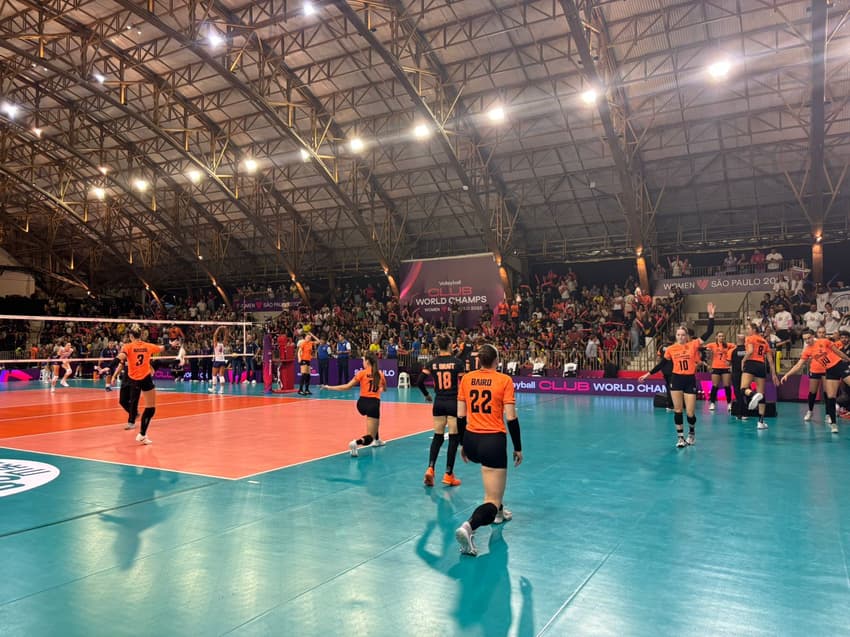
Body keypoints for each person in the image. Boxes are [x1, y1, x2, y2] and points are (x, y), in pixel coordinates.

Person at [454, 344, 522, 557]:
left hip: (472, 440)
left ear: (479, 360)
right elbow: (511, 417)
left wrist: (462, 444)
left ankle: (501, 513)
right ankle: (469, 526)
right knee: (490, 500)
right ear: (496, 360)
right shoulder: (504, 380)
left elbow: (460, 416)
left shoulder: (466, 379)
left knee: (493, 489)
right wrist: (518, 447)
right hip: (492, 441)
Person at [639, 303, 715, 447]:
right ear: (676, 336)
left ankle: (691, 433)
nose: (680, 337)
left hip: (689, 380)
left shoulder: (693, 344)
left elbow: (709, 332)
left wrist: (711, 316)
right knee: (678, 410)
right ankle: (680, 437)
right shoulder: (671, 349)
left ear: (687, 336)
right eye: (678, 335)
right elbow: (662, 364)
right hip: (676, 379)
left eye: (683, 335)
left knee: (690, 412)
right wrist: (648, 374)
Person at [416, 335, 465, 487]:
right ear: (450, 345)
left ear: (438, 345)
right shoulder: (457, 363)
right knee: (453, 437)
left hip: (438, 402)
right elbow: (463, 384)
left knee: (437, 436)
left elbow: (419, 381)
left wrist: (427, 395)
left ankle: (430, 467)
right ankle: (448, 474)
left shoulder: (432, 363)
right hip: (452, 402)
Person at [780, 329, 850, 433]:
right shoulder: (807, 350)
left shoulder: (824, 341)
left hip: (840, 365)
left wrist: (848, 360)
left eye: (808, 338)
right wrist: (787, 374)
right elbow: (799, 365)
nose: (807, 341)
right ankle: (834, 425)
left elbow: (838, 352)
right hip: (830, 372)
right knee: (831, 397)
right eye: (805, 339)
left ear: (813, 336)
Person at [321, 352, 386, 456]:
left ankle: (378, 440)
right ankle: (356, 443)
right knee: (370, 437)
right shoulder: (380, 374)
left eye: (363, 361)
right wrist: (379, 389)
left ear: (367, 361)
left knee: (373, 422)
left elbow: (346, 386)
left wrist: (329, 387)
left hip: (361, 404)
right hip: (373, 404)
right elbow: (384, 388)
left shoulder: (361, 373)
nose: (363, 363)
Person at [115, 325, 164, 445]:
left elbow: (120, 357)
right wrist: (172, 345)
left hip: (134, 379)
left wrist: (110, 366)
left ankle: (140, 433)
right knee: (151, 408)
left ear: (131, 336)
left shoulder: (128, 346)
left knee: (132, 401)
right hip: (145, 378)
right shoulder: (147, 346)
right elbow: (161, 348)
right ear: (140, 335)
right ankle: (142, 433)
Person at [739, 322, 780, 430]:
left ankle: (752, 395)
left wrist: (743, 360)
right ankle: (761, 422)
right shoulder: (765, 342)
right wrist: (774, 374)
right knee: (761, 393)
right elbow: (770, 359)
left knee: (743, 389)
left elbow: (750, 351)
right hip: (761, 366)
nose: (746, 330)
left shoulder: (750, 338)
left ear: (754, 329)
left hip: (751, 363)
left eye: (748, 328)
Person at [705, 331, 735, 412]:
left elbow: (736, 347)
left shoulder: (728, 345)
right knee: (715, 385)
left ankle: (729, 403)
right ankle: (712, 403)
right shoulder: (712, 345)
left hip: (725, 367)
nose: (721, 338)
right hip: (716, 367)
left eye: (722, 336)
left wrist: (730, 358)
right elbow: (704, 348)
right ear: (716, 337)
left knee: (727, 385)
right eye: (719, 336)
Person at [296, 329, 318, 395]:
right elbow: (299, 351)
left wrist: (312, 335)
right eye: (308, 337)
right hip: (303, 360)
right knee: (304, 375)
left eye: (309, 337)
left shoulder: (311, 343)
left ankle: (307, 389)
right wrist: (299, 358)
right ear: (305, 338)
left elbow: (318, 341)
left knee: (308, 375)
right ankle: (300, 390)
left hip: (308, 360)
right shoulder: (303, 343)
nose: (309, 338)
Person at [208, 326, 228, 394]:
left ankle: (214, 388)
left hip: (217, 361)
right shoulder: (223, 344)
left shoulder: (215, 344)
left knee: (214, 375)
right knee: (221, 375)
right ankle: (222, 390)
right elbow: (226, 337)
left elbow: (214, 335)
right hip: (222, 361)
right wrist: (225, 330)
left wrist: (219, 328)